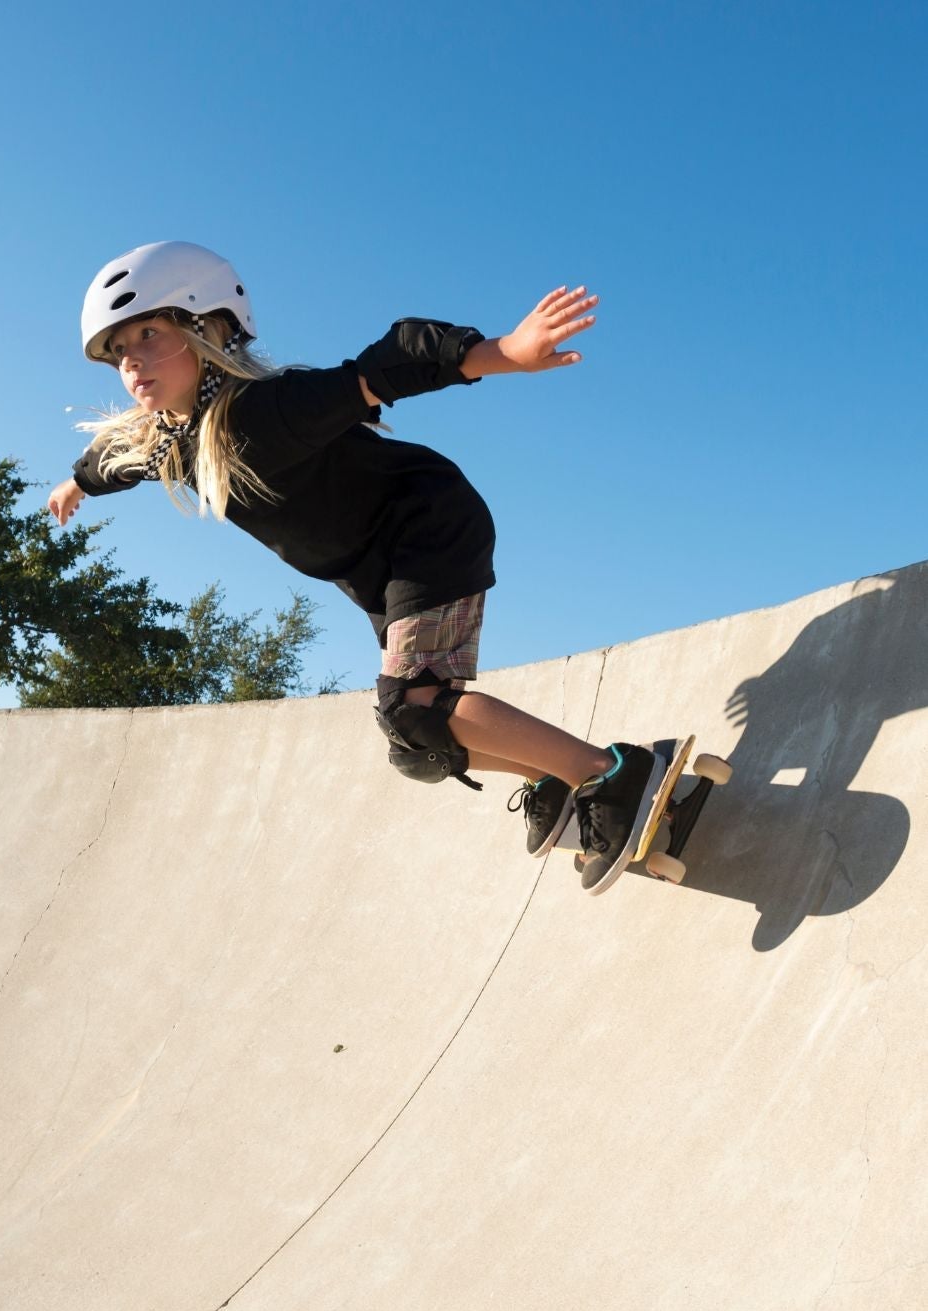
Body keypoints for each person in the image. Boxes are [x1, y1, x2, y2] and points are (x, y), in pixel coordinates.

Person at [47, 241, 666, 894]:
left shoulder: (267, 409)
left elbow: (379, 367)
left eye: (149, 332)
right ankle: (551, 774)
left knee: (418, 705)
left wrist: (501, 353)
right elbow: (111, 461)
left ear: (208, 328)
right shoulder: (171, 444)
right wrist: (75, 486)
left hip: (428, 530)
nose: (133, 359)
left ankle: (611, 774)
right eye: (118, 350)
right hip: (380, 574)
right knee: (413, 746)